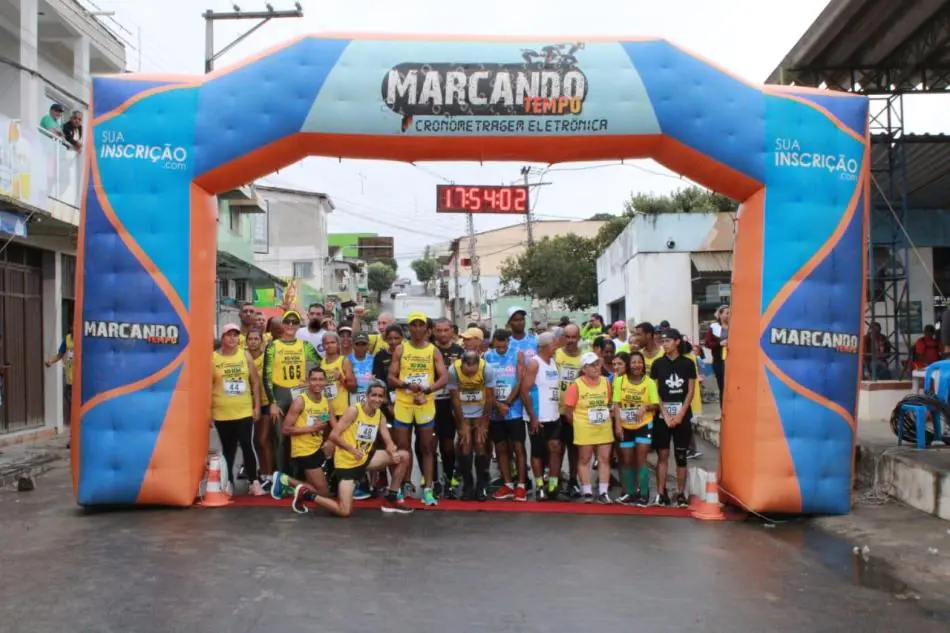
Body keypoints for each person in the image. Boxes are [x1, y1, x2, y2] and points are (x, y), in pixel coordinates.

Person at [284, 380, 414, 516]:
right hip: (347, 464)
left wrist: (393, 452)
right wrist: (351, 449)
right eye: (374, 395)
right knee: (344, 511)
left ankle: (391, 499)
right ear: (366, 396)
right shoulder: (354, 410)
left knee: (404, 456)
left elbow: (388, 441)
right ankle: (306, 494)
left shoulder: (379, 415)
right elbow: (334, 435)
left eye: (380, 396)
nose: (377, 399)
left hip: (364, 458)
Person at [388, 311, 449, 507]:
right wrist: (407, 385)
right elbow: (391, 377)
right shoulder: (401, 349)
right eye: (413, 325)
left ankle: (429, 489)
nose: (416, 328)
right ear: (409, 328)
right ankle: (402, 486)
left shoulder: (433, 350)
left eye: (420, 325)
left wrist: (428, 389)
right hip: (404, 404)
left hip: (425, 403)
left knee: (427, 447)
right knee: (403, 448)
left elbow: (444, 377)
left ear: (426, 328)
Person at [262, 310, 321, 472]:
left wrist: (310, 382)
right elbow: (266, 376)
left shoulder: (305, 345)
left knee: (299, 435)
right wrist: (272, 403)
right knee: (281, 437)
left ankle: (298, 476)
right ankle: (281, 476)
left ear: (298, 325)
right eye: (287, 322)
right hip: (280, 394)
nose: (290, 325)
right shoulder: (273, 346)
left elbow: (322, 364)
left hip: (299, 394)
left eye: (294, 322)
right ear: (282, 324)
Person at [271, 367, 335, 504]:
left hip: (317, 447)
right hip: (304, 451)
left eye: (320, 379)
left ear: (325, 382)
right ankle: (286, 480)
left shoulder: (326, 401)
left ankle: (301, 486)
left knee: (335, 446)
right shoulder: (300, 401)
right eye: (314, 379)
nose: (317, 383)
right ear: (308, 382)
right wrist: (311, 428)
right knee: (324, 495)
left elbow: (331, 425)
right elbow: (285, 429)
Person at [211, 323, 262, 494]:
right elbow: (207, 386)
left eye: (235, 335)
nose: (232, 338)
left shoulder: (245, 355)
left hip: (243, 409)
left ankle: (254, 482)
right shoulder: (213, 358)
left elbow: (255, 382)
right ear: (223, 338)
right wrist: (208, 412)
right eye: (228, 335)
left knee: (247, 444)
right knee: (228, 448)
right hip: (222, 410)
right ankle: (228, 482)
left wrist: (257, 406)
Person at [649, 328, 696, 508]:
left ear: (677, 341)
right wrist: (666, 414)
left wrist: (680, 414)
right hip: (663, 416)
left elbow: (690, 391)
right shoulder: (657, 364)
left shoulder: (688, 363)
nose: (665, 344)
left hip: (682, 415)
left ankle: (681, 493)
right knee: (662, 454)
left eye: (668, 341)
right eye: (662, 341)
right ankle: (661, 493)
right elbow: (656, 391)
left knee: (681, 455)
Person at [562, 352, 613, 503]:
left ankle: (603, 492)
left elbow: (608, 402)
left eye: (598, 364)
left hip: (603, 426)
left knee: (604, 458)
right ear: (584, 369)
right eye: (592, 365)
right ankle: (587, 491)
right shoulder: (576, 385)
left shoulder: (605, 382)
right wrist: (579, 424)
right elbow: (568, 410)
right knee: (585, 458)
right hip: (584, 426)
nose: (596, 368)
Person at [613, 351, 660, 506]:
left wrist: (645, 406)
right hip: (625, 426)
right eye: (633, 362)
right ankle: (629, 492)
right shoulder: (620, 381)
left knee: (641, 460)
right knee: (626, 460)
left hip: (643, 425)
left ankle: (644, 492)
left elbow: (656, 404)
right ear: (628, 365)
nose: (636, 365)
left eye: (639, 362)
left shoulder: (649, 382)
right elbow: (617, 404)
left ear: (643, 365)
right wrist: (618, 425)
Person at [485, 329, 527, 501]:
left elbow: (519, 380)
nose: (501, 349)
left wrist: (508, 403)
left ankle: (522, 485)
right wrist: (496, 404)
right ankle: (508, 484)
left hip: (513, 410)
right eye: (498, 346)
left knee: (518, 448)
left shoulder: (517, 355)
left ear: (508, 342)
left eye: (504, 346)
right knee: (501, 447)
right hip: (496, 411)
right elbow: (485, 384)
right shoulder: (487, 356)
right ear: (494, 342)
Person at [449, 350, 496, 500]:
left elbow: (489, 398)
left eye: (473, 373)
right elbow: (455, 400)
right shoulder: (453, 370)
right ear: (462, 364)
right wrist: (461, 424)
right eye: (467, 373)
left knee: (480, 443)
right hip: (463, 409)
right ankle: (467, 486)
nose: (470, 376)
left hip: (480, 408)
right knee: (465, 443)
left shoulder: (487, 369)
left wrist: (484, 423)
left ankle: (481, 486)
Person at [521, 332, 563, 501]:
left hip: (553, 415)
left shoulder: (553, 362)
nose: (556, 347)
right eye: (554, 344)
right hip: (538, 417)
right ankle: (539, 486)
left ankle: (553, 484)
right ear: (545, 346)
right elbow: (524, 391)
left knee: (555, 448)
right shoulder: (534, 364)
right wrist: (533, 417)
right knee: (538, 452)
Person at [432, 318, 464, 498]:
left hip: (450, 403)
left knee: (448, 443)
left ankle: (450, 477)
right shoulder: (429, 349)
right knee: (429, 443)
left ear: (452, 330)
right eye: (439, 330)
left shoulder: (459, 351)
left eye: (446, 330)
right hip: (430, 401)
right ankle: (432, 480)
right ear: (434, 331)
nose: (443, 334)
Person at [555, 323, 584, 497]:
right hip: (557, 410)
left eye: (574, 337)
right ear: (563, 338)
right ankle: (556, 478)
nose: (571, 340)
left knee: (575, 449)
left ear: (579, 338)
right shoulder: (555, 355)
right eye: (567, 336)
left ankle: (573, 480)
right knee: (556, 448)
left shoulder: (584, 358)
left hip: (576, 412)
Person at [245, 329, 276, 491]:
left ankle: (270, 474)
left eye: (256, 339)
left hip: (265, 402)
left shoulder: (267, 357)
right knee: (255, 441)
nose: (253, 341)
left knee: (264, 439)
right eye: (250, 339)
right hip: (246, 403)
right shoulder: (243, 357)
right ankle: (263, 473)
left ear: (261, 341)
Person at [45, 323, 75, 424]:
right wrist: (50, 361)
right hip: (70, 376)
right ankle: (71, 421)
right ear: (71, 327)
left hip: (81, 378)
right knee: (69, 398)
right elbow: (59, 355)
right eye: (73, 326)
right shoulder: (67, 340)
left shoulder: (82, 339)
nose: (74, 328)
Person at [704, 305, 730, 407]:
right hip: (719, 361)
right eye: (727, 313)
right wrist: (719, 344)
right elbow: (707, 343)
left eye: (730, 313)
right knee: (722, 387)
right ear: (720, 315)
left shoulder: (735, 325)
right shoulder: (714, 327)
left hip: (734, 361)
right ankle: (723, 411)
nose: (729, 315)